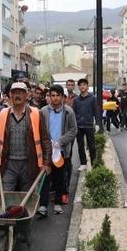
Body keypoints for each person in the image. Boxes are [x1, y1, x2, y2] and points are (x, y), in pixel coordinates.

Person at [0, 82, 52, 215]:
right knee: (5, 196)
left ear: (27, 95)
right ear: (10, 95)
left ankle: (23, 227)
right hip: (8, 163)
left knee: (27, 198)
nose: (17, 95)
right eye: (14, 92)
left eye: (21, 92)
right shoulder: (2, 114)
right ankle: (6, 224)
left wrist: (46, 162)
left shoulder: (36, 113)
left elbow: (46, 140)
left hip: (30, 163)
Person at [40, 85, 78, 214]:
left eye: (58, 95)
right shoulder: (43, 111)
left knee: (59, 177)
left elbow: (73, 130)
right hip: (46, 150)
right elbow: (39, 129)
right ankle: (43, 205)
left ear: (62, 97)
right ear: (49, 97)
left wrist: (60, 141)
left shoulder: (68, 111)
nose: (55, 98)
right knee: (45, 177)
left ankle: (57, 202)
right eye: (53, 95)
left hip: (61, 151)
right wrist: (47, 141)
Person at [72, 78, 101, 171]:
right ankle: (83, 163)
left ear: (87, 87)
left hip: (89, 125)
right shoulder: (76, 100)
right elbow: (73, 112)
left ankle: (93, 164)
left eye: (84, 84)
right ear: (78, 87)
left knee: (91, 146)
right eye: (80, 85)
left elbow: (96, 111)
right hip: (79, 126)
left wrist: (97, 123)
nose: (82, 86)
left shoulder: (93, 98)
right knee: (80, 146)